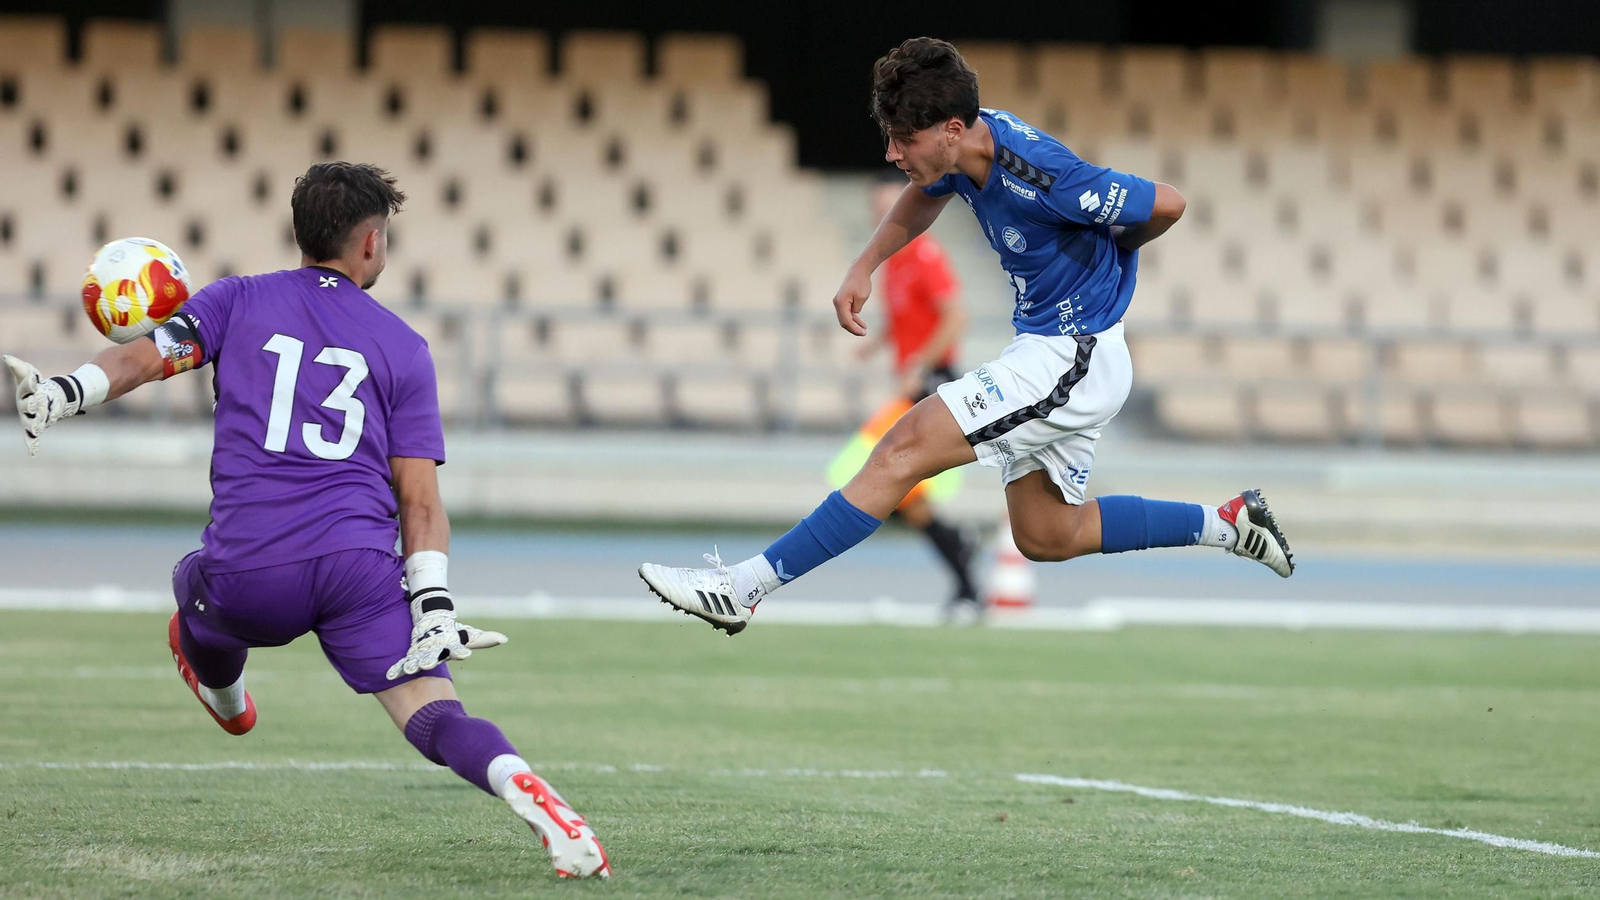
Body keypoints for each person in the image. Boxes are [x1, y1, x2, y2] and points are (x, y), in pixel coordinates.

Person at [5, 162, 609, 879]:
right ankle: (532, 796)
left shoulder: (235, 299)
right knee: (437, 713)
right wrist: (435, 607)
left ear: (300, 232)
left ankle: (227, 697)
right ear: (372, 243)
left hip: (251, 571)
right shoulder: (404, 347)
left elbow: (143, 358)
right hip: (361, 569)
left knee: (191, 590)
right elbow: (419, 502)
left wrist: (68, 391)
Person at [640, 38, 1293, 635]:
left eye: (902, 139)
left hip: (1073, 354)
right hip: (1052, 350)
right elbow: (925, 193)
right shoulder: (965, 150)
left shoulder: (1045, 175)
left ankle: (743, 588)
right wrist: (865, 266)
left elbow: (1168, 202)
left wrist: (1117, 262)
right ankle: (1227, 524)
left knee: (900, 449)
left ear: (951, 131)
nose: (892, 154)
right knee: (1047, 534)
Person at [837, 180, 981, 620]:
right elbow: (904, 317)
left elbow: (955, 316)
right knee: (898, 490)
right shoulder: (896, 263)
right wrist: (877, 343)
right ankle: (960, 555)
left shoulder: (924, 255)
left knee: (881, 478)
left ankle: (965, 574)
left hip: (934, 382)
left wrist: (920, 363)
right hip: (915, 382)